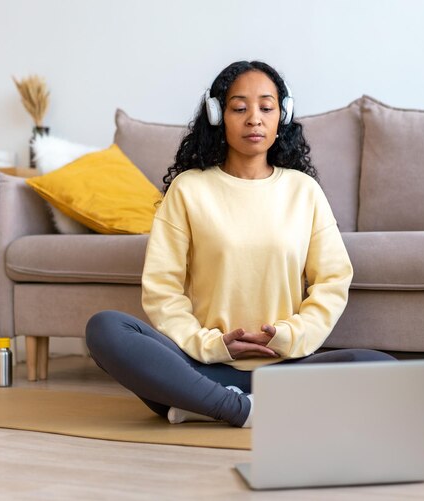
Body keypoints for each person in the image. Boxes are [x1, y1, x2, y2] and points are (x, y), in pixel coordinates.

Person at [85, 60, 395, 428]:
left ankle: (202, 407)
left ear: (283, 116)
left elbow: (332, 282)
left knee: (383, 371)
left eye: (266, 107)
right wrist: (213, 345)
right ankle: (239, 408)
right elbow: (162, 290)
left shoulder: (304, 191)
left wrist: (286, 337)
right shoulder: (188, 189)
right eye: (239, 108)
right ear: (218, 115)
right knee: (104, 328)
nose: (254, 119)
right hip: (198, 368)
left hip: (283, 368)